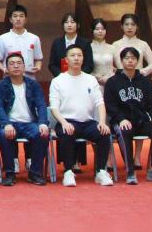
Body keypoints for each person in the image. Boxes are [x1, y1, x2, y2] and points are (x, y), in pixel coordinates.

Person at [49, 45, 114, 187]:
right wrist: (64, 122)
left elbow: (100, 102)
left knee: (104, 133)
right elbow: (54, 107)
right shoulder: (58, 80)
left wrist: (102, 122)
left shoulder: (90, 79)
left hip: (88, 122)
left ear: (83, 58)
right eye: (72, 55)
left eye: (79, 55)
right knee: (66, 132)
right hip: (67, 121)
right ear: (66, 60)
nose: (76, 58)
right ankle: (68, 171)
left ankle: (101, 171)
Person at [104, 47, 152, 184]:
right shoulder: (112, 82)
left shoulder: (144, 81)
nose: (130, 61)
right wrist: (121, 119)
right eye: (127, 58)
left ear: (137, 61)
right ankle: (130, 171)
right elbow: (110, 105)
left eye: (133, 58)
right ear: (121, 61)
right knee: (125, 131)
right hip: (121, 121)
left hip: (141, 120)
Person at [0, 53, 49, 186]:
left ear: (24, 66)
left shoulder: (33, 84)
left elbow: (42, 105)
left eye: (19, 63)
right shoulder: (0, 85)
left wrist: (42, 123)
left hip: (30, 123)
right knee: (3, 134)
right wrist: (5, 124)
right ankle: (10, 174)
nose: (16, 66)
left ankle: (35, 173)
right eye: (12, 64)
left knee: (42, 134)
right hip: (10, 123)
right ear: (6, 68)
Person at [0, 5, 43, 77]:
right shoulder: (2, 38)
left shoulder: (34, 38)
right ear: (10, 19)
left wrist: (38, 67)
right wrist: (4, 69)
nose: (18, 19)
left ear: (25, 19)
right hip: (9, 78)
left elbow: (38, 59)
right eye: (15, 16)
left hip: (29, 77)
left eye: (21, 16)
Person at [48, 12, 94, 77]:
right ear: (63, 25)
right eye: (66, 22)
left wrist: (78, 76)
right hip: (62, 79)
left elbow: (89, 65)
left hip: (80, 78)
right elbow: (52, 65)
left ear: (78, 25)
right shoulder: (57, 43)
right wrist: (62, 76)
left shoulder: (85, 43)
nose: (69, 25)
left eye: (72, 22)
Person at [90, 18, 115, 87]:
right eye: (97, 29)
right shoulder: (88, 48)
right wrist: (95, 77)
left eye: (103, 29)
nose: (100, 31)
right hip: (94, 82)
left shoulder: (112, 47)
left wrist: (110, 76)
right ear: (92, 30)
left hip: (111, 82)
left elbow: (119, 68)